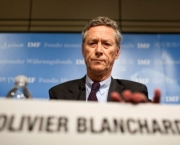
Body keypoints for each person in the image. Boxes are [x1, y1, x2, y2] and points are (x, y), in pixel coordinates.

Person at [49, 16, 161, 103]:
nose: (98, 50)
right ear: (83, 50)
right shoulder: (59, 94)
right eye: (92, 43)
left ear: (117, 52)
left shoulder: (134, 92)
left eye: (106, 44)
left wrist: (152, 116)